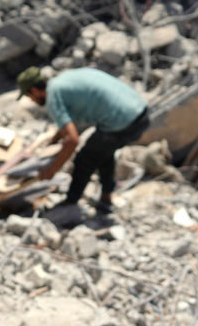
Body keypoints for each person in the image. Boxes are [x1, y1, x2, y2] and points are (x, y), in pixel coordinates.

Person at [17, 66, 149, 215]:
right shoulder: (64, 79)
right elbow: (66, 126)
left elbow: (73, 140)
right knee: (103, 151)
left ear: (33, 90)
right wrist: (52, 143)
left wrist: (52, 170)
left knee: (84, 159)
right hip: (139, 110)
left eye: (30, 97)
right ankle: (106, 197)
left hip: (123, 121)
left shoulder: (53, 96)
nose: (33, 101)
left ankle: (71, 202)